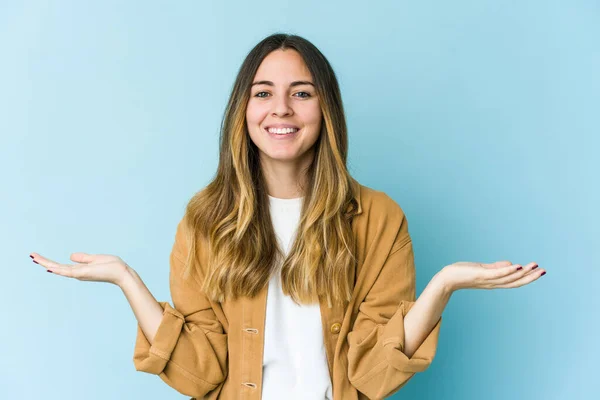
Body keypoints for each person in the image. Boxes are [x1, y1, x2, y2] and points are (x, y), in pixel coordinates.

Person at [30, 33, 546, 400]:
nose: (281, 109)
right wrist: (126, 279)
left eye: (301, 92)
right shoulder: (205, 221)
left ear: (326, 110)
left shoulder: (379, 219)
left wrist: (444, 285)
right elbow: (199, 374)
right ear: (244, 111)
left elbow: (372, 376)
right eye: (263, 93)